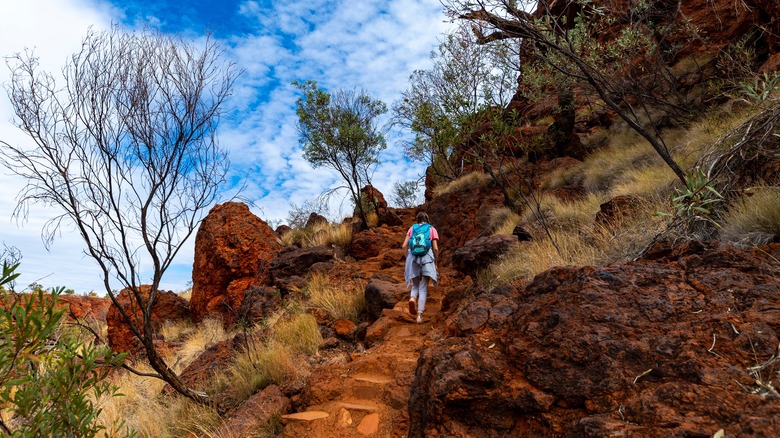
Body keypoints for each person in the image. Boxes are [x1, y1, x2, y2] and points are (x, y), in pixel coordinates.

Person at [402, 212, 439, 324]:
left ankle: (413, 298)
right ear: (427, 219)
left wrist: (408, 258)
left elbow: (404, 246)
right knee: (423, 287)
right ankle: (419, 316)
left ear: (417, 219)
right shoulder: (431, 229)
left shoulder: (412, 229)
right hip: (427, 259)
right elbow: (435, 249)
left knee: (415, 285)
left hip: (413, 259)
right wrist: (436, 263)